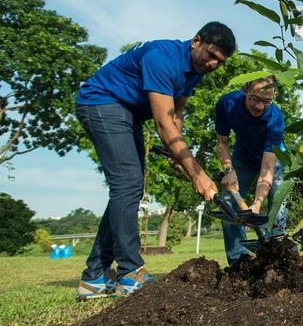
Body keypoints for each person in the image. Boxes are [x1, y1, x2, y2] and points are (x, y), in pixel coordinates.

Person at [75, 22, 236, 299]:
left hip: (129, 114)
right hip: (101, 102)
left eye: (220, 62)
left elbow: (176, 115)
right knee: (128, 182)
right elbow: (163, 125)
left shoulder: (195, 71)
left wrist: (179, 154)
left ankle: (94, 277)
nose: (213, 64)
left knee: (128, 187)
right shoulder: (162, 58)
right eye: (211, 55)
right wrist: (197, 173)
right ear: (196, 41)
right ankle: (130, 272)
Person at [215, 76, 287, 266]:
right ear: (245, 90)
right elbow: (221, 143)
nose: (259, 106)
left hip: (272, 159)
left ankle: (278, 257)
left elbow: (267, 167)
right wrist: (228, 169)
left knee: (279, 203)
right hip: (242, 158)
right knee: (229, 202)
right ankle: (239, 262)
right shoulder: (227, 103)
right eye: (255, 99)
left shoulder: (275, 118)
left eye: (266, 101)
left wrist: (256, 205)